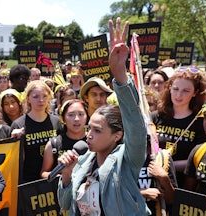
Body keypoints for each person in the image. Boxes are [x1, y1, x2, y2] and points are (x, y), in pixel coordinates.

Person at [57, 17, 147, 215]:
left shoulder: (127, 160)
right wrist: (66, 174)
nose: (88, 134)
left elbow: (134, 123)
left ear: (117, 135)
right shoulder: (81, 160)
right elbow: (64, 205)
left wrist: (119, 73)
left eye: (97, 130)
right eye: (90, 128)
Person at [151, 67, 206, 186]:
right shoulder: (156, 117)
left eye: (186, 91)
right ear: (169, 88)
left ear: (195, 93)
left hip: (183, 183)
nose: (179, 95)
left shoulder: (200, 122)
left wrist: (167, 165)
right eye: (176, 89)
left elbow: (200, 158)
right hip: (152, 180)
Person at [11, 80, 62, 183]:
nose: (41, 100)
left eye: (44, 96)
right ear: (28, 99)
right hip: (29, 182)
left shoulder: (56, 121)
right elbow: (14, 161)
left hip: (52, 179)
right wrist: (13, 142)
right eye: (36, 97)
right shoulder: (18, 125)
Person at [41, 99, 88, 179]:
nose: (76, 119)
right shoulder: (53, 144)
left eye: (81, 114)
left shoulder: (95, 140)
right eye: (71, 115)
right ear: (63, 119)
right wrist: (62, 177)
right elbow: (44, 173)